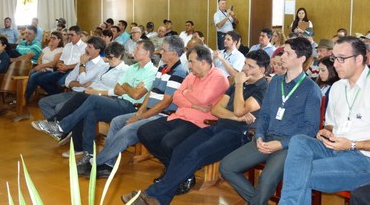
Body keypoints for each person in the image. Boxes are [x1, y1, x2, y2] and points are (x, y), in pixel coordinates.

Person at [121, 50, 270, 205]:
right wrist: (236, 116)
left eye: (250, 66)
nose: (245, 68)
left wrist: (238, 84)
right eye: (245, 64)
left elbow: (239, 109)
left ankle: (151, 194)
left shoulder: (262, 89)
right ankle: (159, 199)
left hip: (238, 134)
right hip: (219, 126)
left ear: (262, 70)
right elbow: (217, 110)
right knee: (181, 150)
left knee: (196, 154)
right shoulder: (240, 84)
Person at [220, 37, 322, 205]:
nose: (282, 57)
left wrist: (281, 144)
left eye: (288, 54)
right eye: (283, 52)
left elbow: (310, 129)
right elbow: (265, 114)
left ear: (301, 59)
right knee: (227, 166)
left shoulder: (311, 89)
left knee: (266, 180)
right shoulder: (275, 81)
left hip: (290, 145)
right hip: (266, 138)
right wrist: (259, 135)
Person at [77, 36, 187, 178]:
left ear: (173, 53)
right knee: (117, 121)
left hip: (162, 115)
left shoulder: (179, 72)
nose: (160, 52)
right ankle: (108, 164)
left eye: (164, 50)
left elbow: (165, 103)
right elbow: (151, 94)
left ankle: (96, 162)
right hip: (148, 112)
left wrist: (140, 117)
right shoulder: (163, 67)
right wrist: (139, 113)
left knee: (128, 129)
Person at [279, 36, 370, 204]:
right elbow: (331, 124)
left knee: (297, 173)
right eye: (334, 58)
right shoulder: (337, 87)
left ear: (359, 59)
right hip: (334, 148)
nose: (334, 64)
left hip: (363, 158)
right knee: (298, 141)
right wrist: (326, 132)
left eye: (341, 59)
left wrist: (352, 144)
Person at [35, 40, 157, 164]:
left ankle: (61, 126)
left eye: (137, 49)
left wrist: (125, 85)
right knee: (89, 112)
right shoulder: (132, 68)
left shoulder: (152, 71)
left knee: (90, 98)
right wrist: (130, 87)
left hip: (131, 107)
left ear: (146, 52)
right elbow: (117, 89)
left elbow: (136, 95)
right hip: (119, 101)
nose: (134, 51)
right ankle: (88, 154)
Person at [137, 45, 229, 184]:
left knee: (168, 142)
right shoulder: (191, 75)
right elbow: (176, 96)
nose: (189, 65)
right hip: (179, 116)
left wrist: (186, 93)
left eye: (191, 61)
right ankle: (177, 170)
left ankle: (177, 173)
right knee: (144, 132)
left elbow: (203, 99)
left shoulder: (219, 77)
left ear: (203, 63)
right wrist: (192, 103)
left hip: (200, 122)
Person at [32, 42, 129, 157]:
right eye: (107, 56)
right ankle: (76, 144)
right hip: (94, 94)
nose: (108, 59)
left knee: (81, 98)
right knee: (82, 107)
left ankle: (57, 124)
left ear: (120, 56)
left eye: (111, 57)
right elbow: (96, 82)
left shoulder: (125, 70)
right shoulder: (106, 67)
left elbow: (118, 90)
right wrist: (91, 89)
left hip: (110, 98)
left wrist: (95, 91)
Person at [36, 36, 106, 118]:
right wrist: (80, 84)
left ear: (97, 51)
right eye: (87, 46)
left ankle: (59, 126)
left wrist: (82, 64)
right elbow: (68, 80)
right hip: (73, 92)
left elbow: (82, 79)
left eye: (89, 47)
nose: (86, 49)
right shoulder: (84, 60)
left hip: (85, 96)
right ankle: (57, 126)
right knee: (43, 102)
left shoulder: (101, 65)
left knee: (59, 108)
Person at [35, 25, 86, 95]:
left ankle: (59, 96)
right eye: (69, 35)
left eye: (72, 35)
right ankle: (57, 95)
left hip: (74, 70)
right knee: (41, 80)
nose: (70, 37)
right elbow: (61, 59)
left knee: (60, 83)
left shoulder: (84, 47)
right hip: (63, 69)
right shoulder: (68, 46)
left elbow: (83, 63)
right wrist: (60, 65)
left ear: (79, 35)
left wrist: (67, 67)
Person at [24, 31, 64, 102]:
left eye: (54, 38)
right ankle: (24, 95)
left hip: (49, 70)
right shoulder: (47, 48)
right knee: (28, 75)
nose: (51, 39)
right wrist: (40, 66)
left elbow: (53, 63)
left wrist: (42, 66)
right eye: (51, 37)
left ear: (59, 40)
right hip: (41, 68)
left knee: (33, 77)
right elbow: (39, 59)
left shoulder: (60, 49)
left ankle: (25, 98)